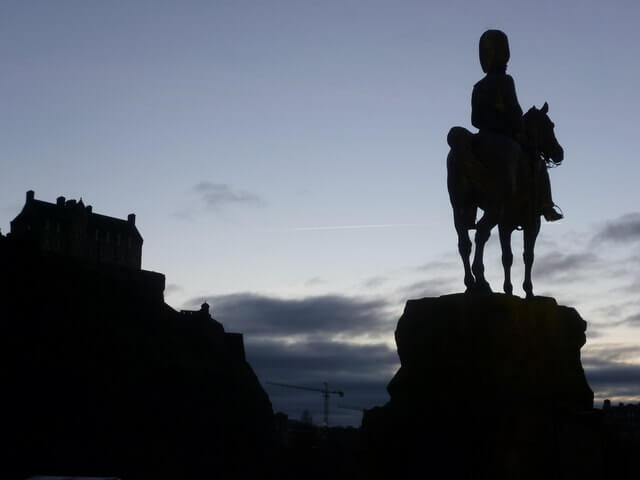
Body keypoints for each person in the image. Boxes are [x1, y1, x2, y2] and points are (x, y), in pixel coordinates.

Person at [471, 29, 562, 222]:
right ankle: (546, 205)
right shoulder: (506, 80)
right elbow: (514, 111)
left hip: (482, 135)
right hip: (503, 137)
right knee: (537, 163)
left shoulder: (478, 86)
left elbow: (475, 120)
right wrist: (515, 128)